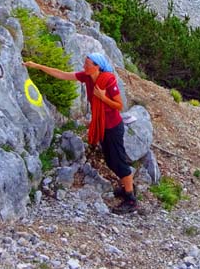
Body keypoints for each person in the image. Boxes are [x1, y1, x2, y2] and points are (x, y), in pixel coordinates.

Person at [24, 53, 137, 214]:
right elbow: (63, 75)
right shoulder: (87, 76)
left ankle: (131, 199)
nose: (84, 66)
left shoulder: (108, 80)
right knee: (111, 161)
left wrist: (102, 97)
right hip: (102, 126)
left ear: (97, 66)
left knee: (118, 162)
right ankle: (128, 187)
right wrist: (38, 66)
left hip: (112, 127)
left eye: (88, 63)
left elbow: (119, 106)